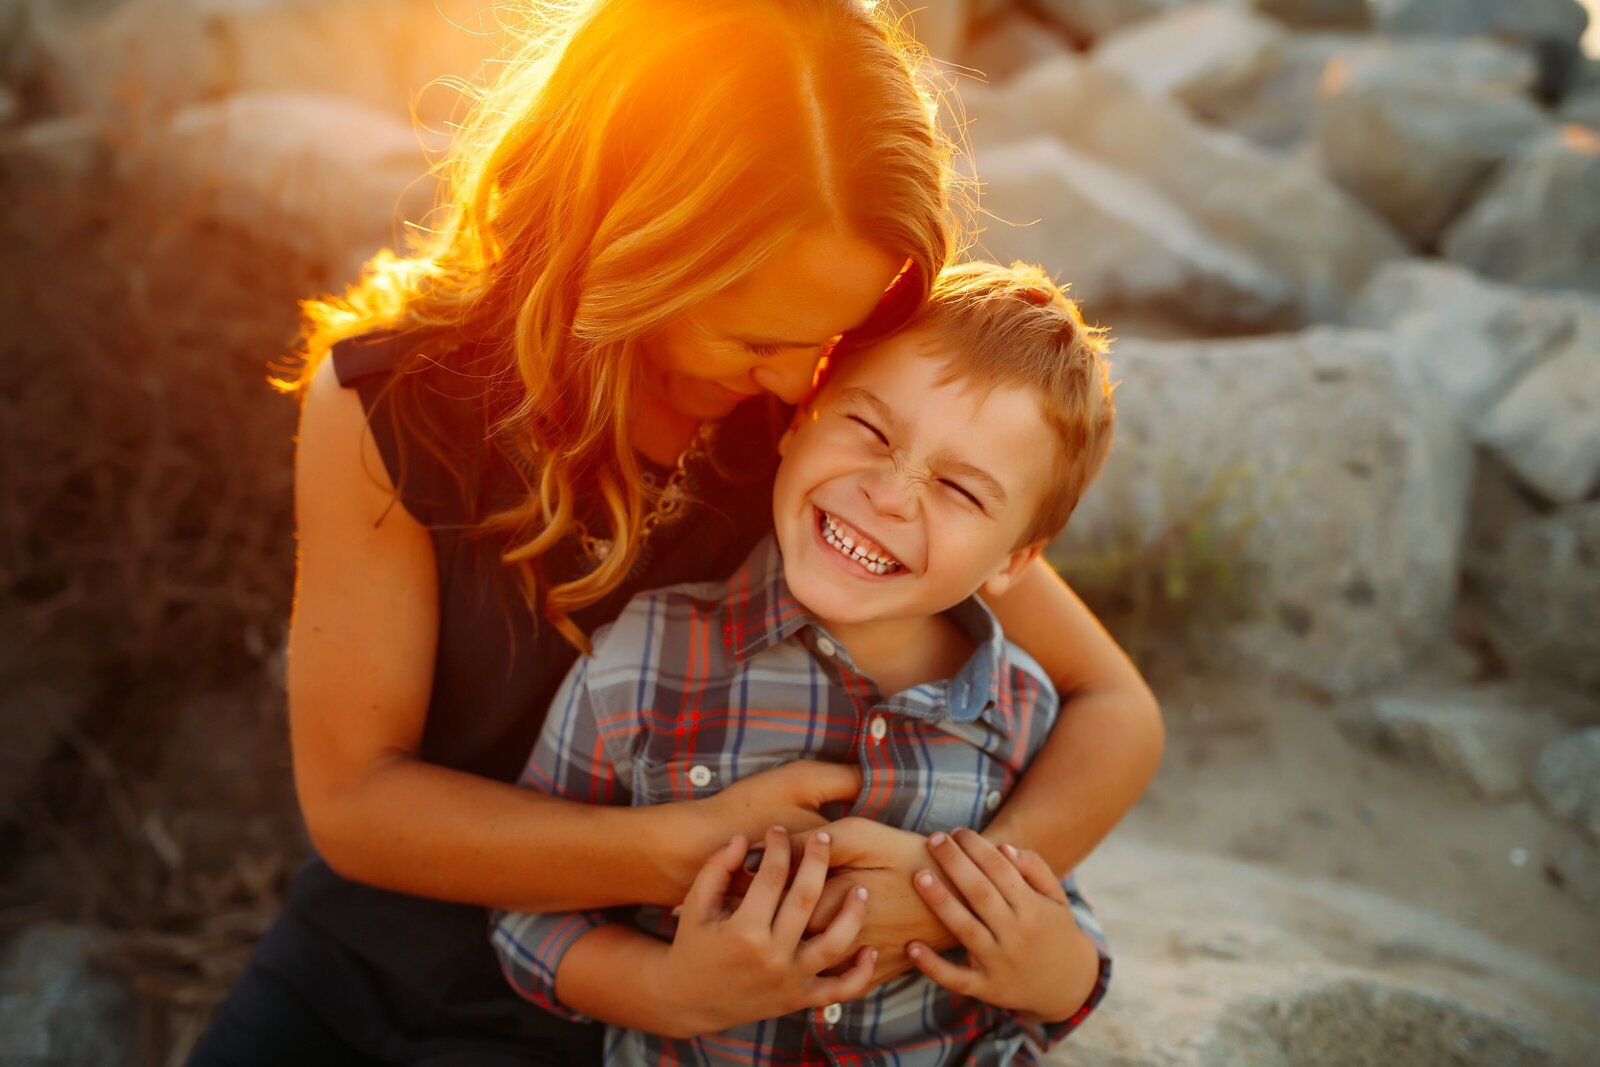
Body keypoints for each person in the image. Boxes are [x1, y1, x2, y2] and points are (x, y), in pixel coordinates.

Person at [188, 0, 1162, 1063]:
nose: (800, 384)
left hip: (630, 1027)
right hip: (369, 969)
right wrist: (669, 850)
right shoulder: (388, 405)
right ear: (631, 254)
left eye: (831, 340)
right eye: (758, 340)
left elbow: (1110, 706)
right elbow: (356, 804)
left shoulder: (835, 445)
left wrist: (936, 900)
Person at [492, 261, 1117, 1065]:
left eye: (961, 490)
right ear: (799, 418)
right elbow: (528, 906)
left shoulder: (1021, 709)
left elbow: (1054, 918)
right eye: (871, 429)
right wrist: (666, 989)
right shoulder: (646, 662)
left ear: (1015, 559)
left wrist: (1055, 972)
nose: (891, 494)